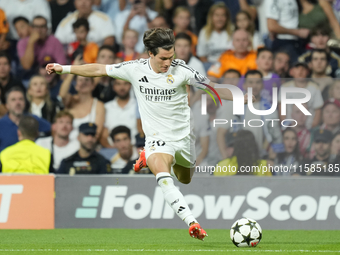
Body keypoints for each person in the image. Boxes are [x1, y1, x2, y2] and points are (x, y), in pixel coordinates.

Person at [46, 27, 251, 240]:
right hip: (157, 139)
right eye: (163, 58)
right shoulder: (135, 68)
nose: (168, 63)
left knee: (185, 178)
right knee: (164, 177)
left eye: (171, 57)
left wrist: (238, 97)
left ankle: (148, 157)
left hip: (183, 138)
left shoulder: (182, 70)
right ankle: (192, 222)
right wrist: (64, 68)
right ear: (150, 53)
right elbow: (100, 69)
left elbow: (212, 86)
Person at [58, 61, 105, 141]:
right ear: (76, 85)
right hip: (67, 144)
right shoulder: (70, 101)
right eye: (80, 80)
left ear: (93, 85)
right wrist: (73, 70)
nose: (83, 83)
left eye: (87, 80)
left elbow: (97, 132)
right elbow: (62, 94)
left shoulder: (98, 105)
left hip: (87, 145)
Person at [0, 87, 51, 152]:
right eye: (13, 100)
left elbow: (53, 128)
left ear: (25, 102)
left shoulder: (33, 120)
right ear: (7, 105)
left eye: (21, 99)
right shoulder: (1, 124)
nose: (18, 103)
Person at [279, 62, 323, 129]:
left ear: (307, 72)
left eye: (303, 69)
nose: (300, 71)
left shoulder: (315, 88)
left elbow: (318, 112)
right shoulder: (284, 88)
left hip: (309, 130)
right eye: (297, 68)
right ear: (291, 72)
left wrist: (310, 130)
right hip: (289, 130)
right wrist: (289, 128)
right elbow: (282, 113)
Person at [101, 79, 138, 148]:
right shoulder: (106, 107)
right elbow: (103, 135)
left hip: (136, 149)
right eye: (118, 84)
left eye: (125, 84)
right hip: (112, 150)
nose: (122, 87)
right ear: (113, 87)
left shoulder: (138, 106)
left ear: (130, 85)